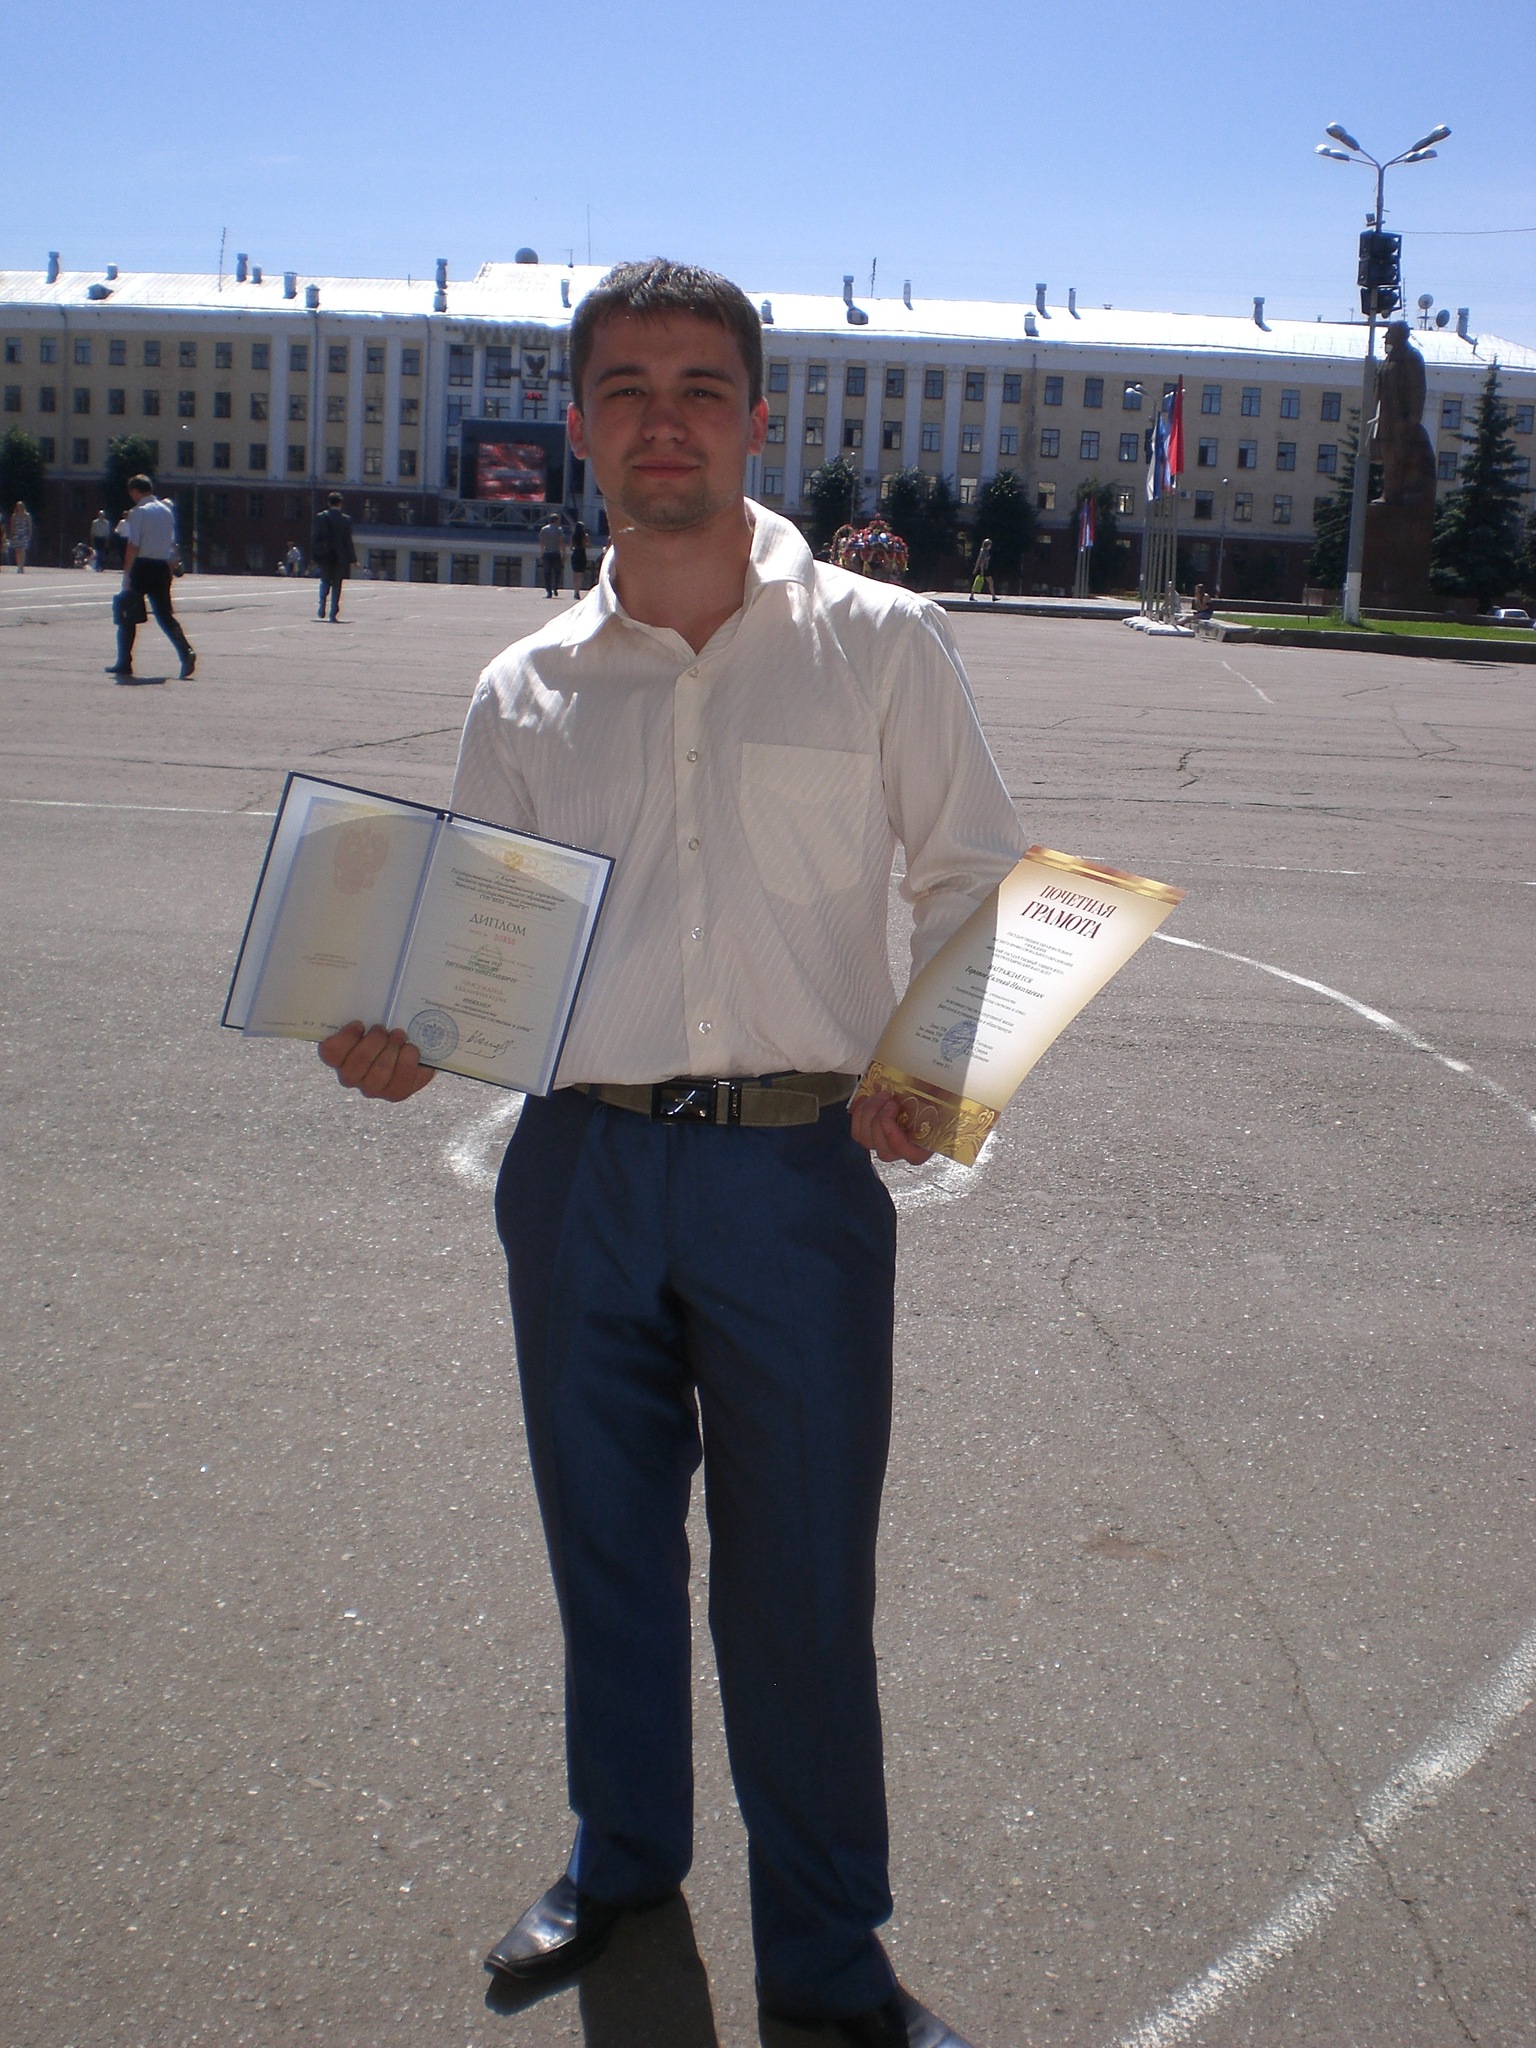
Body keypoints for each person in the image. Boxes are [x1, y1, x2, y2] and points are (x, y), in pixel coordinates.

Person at [317, 260, 1023, 2048]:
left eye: (701, 385)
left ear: (757, 416)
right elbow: (477, 941)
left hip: (795, 1177)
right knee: (607, 1547)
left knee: (803, 1584)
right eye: (625, 387)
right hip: (581, 1169)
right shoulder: (527, 688)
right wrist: (401, 1035)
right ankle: (622, 1856)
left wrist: (931, 1065)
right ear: (577, 425)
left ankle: (830, 1962)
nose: (664, 419)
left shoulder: (879, 642)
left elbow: (972, 877)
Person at [106, 475, 195, 680]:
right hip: (161, 567)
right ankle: (186, 652)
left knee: (128, 615)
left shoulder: (139, 512)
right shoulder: (166, 511)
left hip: (142, 566)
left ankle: (124, 662)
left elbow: (133, 545)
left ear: (134, 492)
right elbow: (171, 543)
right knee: (164, 615)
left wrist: (127, 573)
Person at [310, 492, 356, 621]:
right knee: (337, 584)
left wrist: (314, 556)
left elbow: (315, 538)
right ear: (340, 504)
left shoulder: (321, 517)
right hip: (340, 556)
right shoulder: (346, 520)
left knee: (324, 580)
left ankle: (322, 603)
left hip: (324, 555)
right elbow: (348, 541)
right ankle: (333, 613)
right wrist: (353, 559)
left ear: (329, 503)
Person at [538, 511, 565, 597]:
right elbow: (561, 542)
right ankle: (555, 587)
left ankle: (548, 591)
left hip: (547, 553)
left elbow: (542, 542)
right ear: (556, 520)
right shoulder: (559, 530)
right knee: (557, 572)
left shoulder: (544, 529)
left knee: (547, 573)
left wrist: (541, 552)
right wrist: (563, 552)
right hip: (556, 553)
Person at [7, 500, 33, 572]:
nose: (19, 508)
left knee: (22, 550)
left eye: (20, 506)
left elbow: (29, 525)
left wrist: (29, 534)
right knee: (17, 550)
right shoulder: (14, 516)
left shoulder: (27, 515)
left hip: (24, 535)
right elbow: (12, 526)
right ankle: (18, 565)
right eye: (18, 506)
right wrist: (11, 535)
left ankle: (22, 566)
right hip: (16, 535)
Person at [568, 515, 590, 594]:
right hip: (582, 553)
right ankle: (578, 589)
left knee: (575, 573)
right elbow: (589, 546)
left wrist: (575, 547)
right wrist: (585, 545)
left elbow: (571, 547)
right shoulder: (585, 536)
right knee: (580, 573)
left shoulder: (573, 536)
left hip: (575, 553)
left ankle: (575, 590)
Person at [969, 534, 994, 602]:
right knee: (989, 581)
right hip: (982, 569)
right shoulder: (983, 552)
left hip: (983, 569)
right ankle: (993, 596)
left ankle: (972, 596)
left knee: (982, 582)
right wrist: (980, 570)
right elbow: (980, 561)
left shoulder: (985, 551)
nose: (990, 546)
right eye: (990, 545)